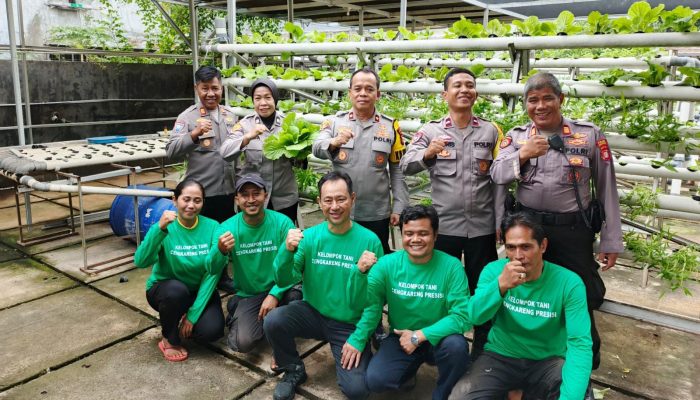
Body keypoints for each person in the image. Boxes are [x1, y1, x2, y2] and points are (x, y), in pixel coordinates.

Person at [490, 72, 623, 370]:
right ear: (525, 104)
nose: (540, 106)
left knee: (581, 292)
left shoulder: (588, 135)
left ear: (561, 99)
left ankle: (584, 361)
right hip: (528, 230)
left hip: (572, 231)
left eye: (547, 98)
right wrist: (522, 154)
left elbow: (606, 188)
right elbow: (497, 177)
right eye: (532, 100)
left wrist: (611, 239)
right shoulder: (516, 136)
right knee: (527, 290)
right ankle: (531, 354)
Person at [400, 68, 505, 358]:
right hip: (444, 229)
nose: (464, 90)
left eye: (469, 85)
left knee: (482, 292)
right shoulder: (431, 131)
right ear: (445, 94)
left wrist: (499, 221)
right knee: (442, 290)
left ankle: (483, 350)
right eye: (456, 85)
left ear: (476, 94)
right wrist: (427, 154)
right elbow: (405, 164)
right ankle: (442, 346)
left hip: (481, 229)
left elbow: (500, 179)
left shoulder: (491, 131)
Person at [263, 171, 383, 400]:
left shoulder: (370, 241)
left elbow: (376, 301)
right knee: (274, 320)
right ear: (319, 202)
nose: (334, 206)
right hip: (314, 312)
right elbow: (284, 280)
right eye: (328, 200)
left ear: (353, 198)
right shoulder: (310, 237)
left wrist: (359, 337)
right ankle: (293, 369)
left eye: (341, 199)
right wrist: (285, 251)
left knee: (357, 391)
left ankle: (372, 344)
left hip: (349, 322)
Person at [448, 212, 592, 400]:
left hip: (549, 360)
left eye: (525, 247)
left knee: (579, 392)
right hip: (500, 356)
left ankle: (520, 394)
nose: (518, 256)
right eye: (511, 247)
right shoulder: (494, 272)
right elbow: (474, 317)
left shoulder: (569, 283)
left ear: (543, 246)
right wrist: (500, 286)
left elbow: (579, 343)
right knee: (461, 396)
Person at [363, 205, 471, 400]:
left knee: (457, 347)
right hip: (401, 337)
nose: (415, 239)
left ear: (435, 235)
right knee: (375, 380)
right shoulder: (388, 264)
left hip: (439, 337)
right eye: (409, 233)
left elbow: (462, 316)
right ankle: (408, 371)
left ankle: (442, 393)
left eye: (423, 233)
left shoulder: (451, 266)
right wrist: (360, 273)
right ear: (401, 234)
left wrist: (420, 336)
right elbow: (367, 299)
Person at [312, 67, 409, 254]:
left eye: (369, 89)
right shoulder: (334, 122)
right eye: (357, 89)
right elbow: (317, 148)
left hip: (376, 212)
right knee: (340, 258)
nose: (363, 93)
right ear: (350, 93)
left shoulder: (390, 126)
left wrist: (399, 207)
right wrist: (334, 143)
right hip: (339, 210)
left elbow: (398, 171)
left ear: (378, 94)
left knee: (375, 260)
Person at [207, 174, 302, 354]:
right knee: (241, 344)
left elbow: (296, 267)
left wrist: (274, 294)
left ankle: (277, 331)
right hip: (250, 293)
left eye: (256, 194)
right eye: (245, 195)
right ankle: (242, 309)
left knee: (296, 298)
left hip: (281, 287)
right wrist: (220, 250)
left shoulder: (282, 223)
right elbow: (211, 268)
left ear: (265, 195)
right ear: (237, 199)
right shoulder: (226, 228)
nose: (251, 200)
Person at [133, 179, 225, 362]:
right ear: (175, 200)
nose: (191, 205)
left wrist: (192, 315)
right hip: (166, 291)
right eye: (186, 199)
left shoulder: (213, 226)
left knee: (211, 332)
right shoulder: (165, 226)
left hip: (197, 291)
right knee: (177, 291)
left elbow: (212, 273)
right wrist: (159, 229)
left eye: (197, 201)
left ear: (203, 203)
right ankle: (169, 339)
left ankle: (183, 313)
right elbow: (140, 261)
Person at [166, 65, 238, 292]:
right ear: (197, 88)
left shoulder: (230, 115)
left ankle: (223, 276)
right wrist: (194, 134)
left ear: (222, 88)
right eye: (205, 88)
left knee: (223, 237)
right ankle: (199, 277)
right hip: (201, 195)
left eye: (215, 88)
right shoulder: (187, 118)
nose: (210, 94)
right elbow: (171, 149)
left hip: (227, 191)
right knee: (200, 239)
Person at [220, 78, 301, 224]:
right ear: (253, 101)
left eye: (268, 97)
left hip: (283, 198)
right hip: (252, 199)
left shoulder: (289, 123)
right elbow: (225, 153)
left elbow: (301, 159)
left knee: (284, 239)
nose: (263, 103)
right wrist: (247, 137)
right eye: (257, 98)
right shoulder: (245, 124)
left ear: (275, 99)